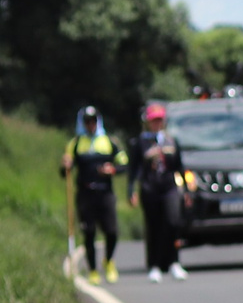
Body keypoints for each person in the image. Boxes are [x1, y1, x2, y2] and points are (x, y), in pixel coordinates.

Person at [60, 107, 125, 282]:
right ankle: (93, 270)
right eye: (87, 121)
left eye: (93, 121)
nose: (91, 125)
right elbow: (64, 171)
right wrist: (65, 165)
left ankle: (109, 261)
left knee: (112, 231)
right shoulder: (75, 143)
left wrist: (113, 169)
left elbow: (123, 164)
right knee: (89, 232)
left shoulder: (109, 142)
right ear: (83, 123)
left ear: (98, 121)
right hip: (85, 193)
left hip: (105, 192)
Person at [131, 103, 188, 281]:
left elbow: (179, 166)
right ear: (148, 122)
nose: (156, 123)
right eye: (153, 120)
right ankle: (154, 265)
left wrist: (185, 190)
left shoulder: (171, 140)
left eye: (159, 120)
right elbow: (134, 168)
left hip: (169, 187)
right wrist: (131, 190)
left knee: (172, 222)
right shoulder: (140, 142)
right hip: (150, 188)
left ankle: (173, 262)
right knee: (153, 226)